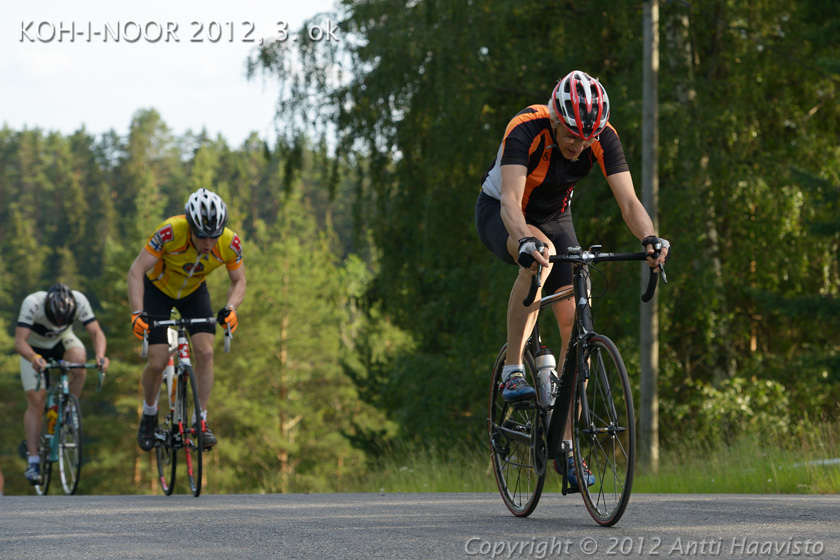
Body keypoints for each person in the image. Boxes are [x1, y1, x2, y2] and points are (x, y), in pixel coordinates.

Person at [475, 70, 669, 487]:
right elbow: (510, 199)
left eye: (587, 139)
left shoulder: (603, 136)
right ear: (556, 119)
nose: (579, 145)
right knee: (539, 259)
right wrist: (525, 240)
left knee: (574, 323)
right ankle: (513, 370)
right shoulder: (525, 128)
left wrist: (650, 237)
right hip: (502, 213)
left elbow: (629, 201)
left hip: (555, 217)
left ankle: (563, 445)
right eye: (571, 136)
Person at [127, 187, 246, 452]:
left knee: (204, 353)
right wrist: (137, 313)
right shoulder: (169, 232)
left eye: (214, 236)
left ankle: (200, 421)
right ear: (189, 226)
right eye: (202, 236)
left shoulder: (230, 242)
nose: (208, 243)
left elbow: (239, 280)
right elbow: (136, 271)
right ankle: (149, 413)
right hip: (158, 292)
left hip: (194, 293)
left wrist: (231, 307)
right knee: (157, 361)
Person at [15, 283, 110, 484]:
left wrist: (101, 356)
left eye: (63, 321)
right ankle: (33, 461)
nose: (58, 324)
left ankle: (68, 407)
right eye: (54, 320)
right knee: (36, 400)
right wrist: (33, 358)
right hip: (33, 348)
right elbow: (20, 341)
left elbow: (96, 332)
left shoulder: (79, 300)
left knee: (79, 361)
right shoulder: (32, 303)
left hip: (62, 342)